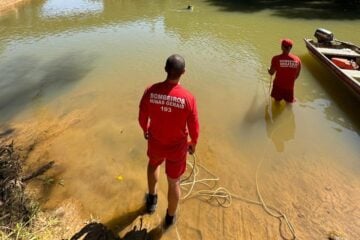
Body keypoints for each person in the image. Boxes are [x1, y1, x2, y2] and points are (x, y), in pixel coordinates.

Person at [138, 54, 199, 228]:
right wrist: (193, 143)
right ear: (184, 72)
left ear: (165, 69)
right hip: (177, 149)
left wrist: (145, 130)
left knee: (153, 165)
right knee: (174, 182)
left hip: (156, 142)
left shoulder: (150, 91)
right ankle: (169, 219)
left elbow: (142, 116)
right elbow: (194, 127)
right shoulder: (188, 98)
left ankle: (151, 201)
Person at [268, 39, 301, 103]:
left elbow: (271, 73)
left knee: (276, 102)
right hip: (290, 87)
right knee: (289, 104)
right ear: (291, 48)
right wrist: (289, 81)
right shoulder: (297, 60)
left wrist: (268, 69)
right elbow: (297, 75)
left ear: (282, 47)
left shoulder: (276, 58)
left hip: (278, 86)